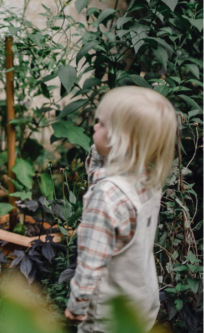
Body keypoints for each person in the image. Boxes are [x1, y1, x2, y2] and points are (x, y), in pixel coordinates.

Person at [64, 86, 177, 332]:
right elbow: (98, 173)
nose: (94, 127)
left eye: (102, 124)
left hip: (108, 315)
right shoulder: (148, 177)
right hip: (141, 301)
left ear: (120, 140)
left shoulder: (107, 196)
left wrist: (77, 305)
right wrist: (102, 147)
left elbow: (91, 261)